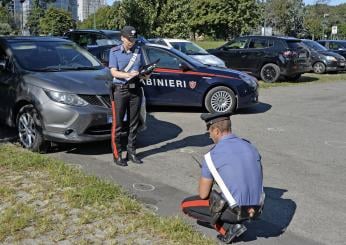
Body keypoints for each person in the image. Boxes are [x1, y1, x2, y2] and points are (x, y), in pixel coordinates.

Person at [181, 112, 264, 243]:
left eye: (209, 131)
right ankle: (238, 222)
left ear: (216, 131)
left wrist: (211, 177)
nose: (209, 135)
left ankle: (229, 228)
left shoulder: (211, 156)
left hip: (235, 210)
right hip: (256, 209)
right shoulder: (251, 147)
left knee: (186, 205)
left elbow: (203, 194)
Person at [109, 26, 144, 166]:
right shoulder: (114, 52)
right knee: (118, 124)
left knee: (133, 123)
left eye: (133, 39)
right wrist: (127, 75)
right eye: (129, 39)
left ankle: (131, 152)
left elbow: (142, 68)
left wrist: (145, 74)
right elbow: (114, 72)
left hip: (135, 90)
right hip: (120, 90)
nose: (132, 42)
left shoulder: (139, 51)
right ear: (122, 38)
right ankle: (117, 154)